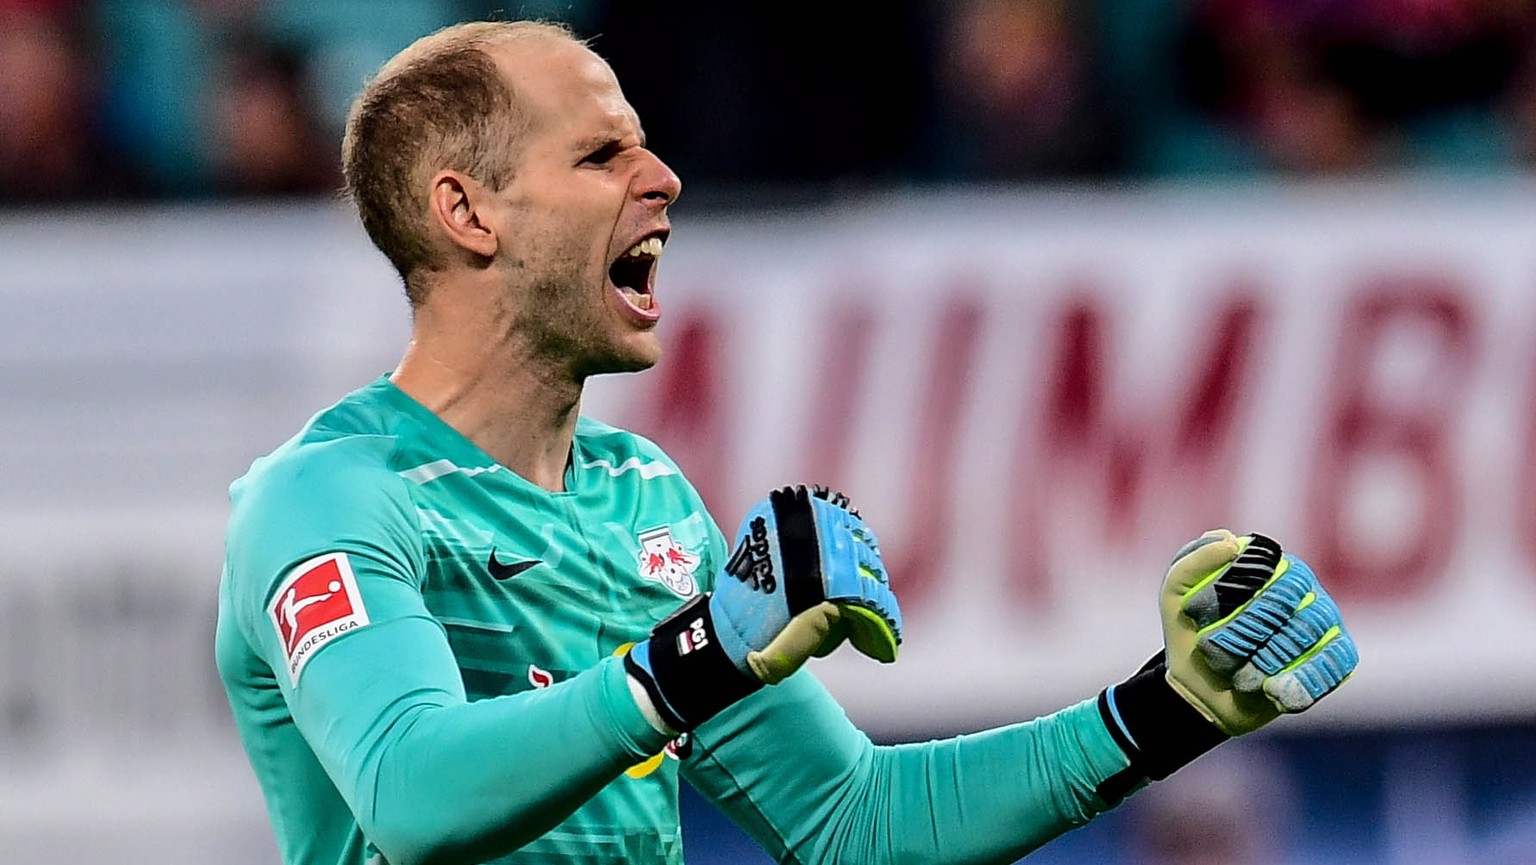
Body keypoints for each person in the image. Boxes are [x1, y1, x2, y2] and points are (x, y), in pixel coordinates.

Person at [215, 20, 1359, 865]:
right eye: (600, 156)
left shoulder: (641, 498)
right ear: (469, 212)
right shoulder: (329, 498)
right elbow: (412, 795)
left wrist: (1169, 709)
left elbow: (854, 820)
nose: (662, 180)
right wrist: (699, 655)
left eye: (646, 149)